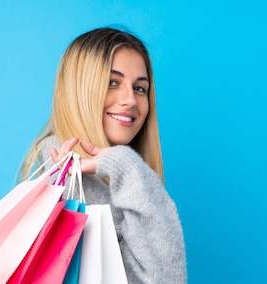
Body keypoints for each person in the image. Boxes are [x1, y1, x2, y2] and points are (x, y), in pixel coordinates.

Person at [18, 27, 187, 283]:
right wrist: (129, 169)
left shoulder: (78, 172)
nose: (130, 99)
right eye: (112, 82)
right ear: (80, 89)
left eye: (140, 88)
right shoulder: (73, 182)